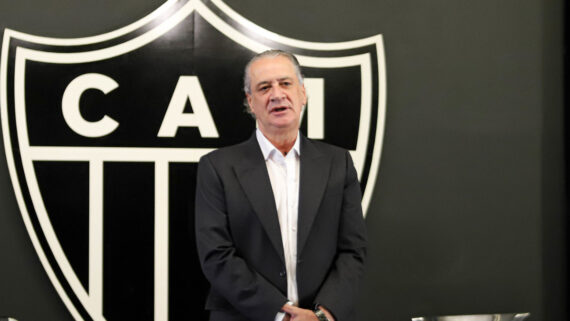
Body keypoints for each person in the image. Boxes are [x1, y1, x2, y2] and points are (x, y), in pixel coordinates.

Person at [195, 49, 367, 321]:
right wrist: (282, 314)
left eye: (285, 83)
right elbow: (216, 255)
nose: (277, 94)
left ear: (302, 94)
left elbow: (352, 251)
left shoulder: (339, 163)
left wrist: (322, 315)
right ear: (251, 102)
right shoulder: (217, 167)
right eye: (264, 87)